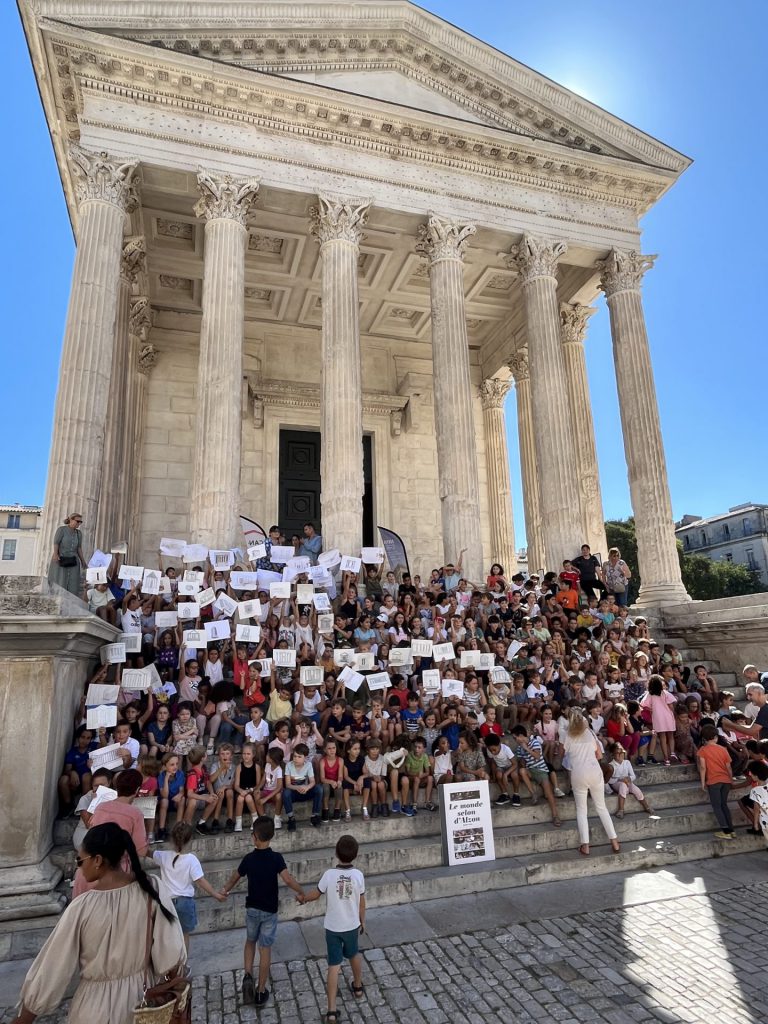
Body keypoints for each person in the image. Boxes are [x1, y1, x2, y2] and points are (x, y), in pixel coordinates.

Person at [12, 822, 185, 1024]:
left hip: (93, 1009)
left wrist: (22, 1019)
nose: (79, 867)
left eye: (80, 860)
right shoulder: (152, 889)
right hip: (142, 1005)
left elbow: (52, 968)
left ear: (97, 860)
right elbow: (172, 951)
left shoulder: (81, 907)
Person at [219, 816, 305, 1007]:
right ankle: (260, 991)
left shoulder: (249, 859)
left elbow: (235, 877)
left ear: (254, 837)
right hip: (269, 911)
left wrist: (225, 890)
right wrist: (301, 892)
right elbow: (288, 880)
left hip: (252, 909)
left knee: (250, 941)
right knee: (265, 949)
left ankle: (248, 974)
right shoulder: (276, 858)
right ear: (271, 837)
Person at [301, 834, 366, 1024]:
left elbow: (316, 893)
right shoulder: (358, 875)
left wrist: (303, 898)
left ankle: (331, 1010)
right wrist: (362, 921)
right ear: (355, 855)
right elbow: (362, 902)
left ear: (336, 853)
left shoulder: (329, 875)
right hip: (351, 925)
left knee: (333, 966)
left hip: (333, 927)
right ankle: (358, 986)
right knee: (354, 954)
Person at [152, 821, 225, 951]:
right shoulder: (191, 859)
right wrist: (216, 895)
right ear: (190, 839)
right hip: (184, 902)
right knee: (184, 935)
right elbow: (201, 881)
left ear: (172, 839)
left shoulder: (163, 856)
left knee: (169, 935)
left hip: (167, 903)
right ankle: (183, 965)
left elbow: (145, 851)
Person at [563, 708, 620, 857]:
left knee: (582, 810)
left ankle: (585, 846)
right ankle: (614, 842)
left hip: (578, 773)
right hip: (594, 771)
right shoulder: (590, 734)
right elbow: (599, 755)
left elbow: (564, 753)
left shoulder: (567, 735)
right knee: (602, 808)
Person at [697, 722, 736, 840]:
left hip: (713, 781)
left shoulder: (702, 750)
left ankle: (725, 830)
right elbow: (728, 767)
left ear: (703, 738)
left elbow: (703, 768)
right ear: (716, 737)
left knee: (717, 806)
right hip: (726, 780)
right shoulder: (723, 749)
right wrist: (731, 779)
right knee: (724, 804)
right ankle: (731, 830)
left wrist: (703, 782)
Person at [47, 512, 86, 596]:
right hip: (61, 557)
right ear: (71, 520)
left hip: (73, 560)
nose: (79, 523)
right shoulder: (61, 529)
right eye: (77, 521)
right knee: (60, 579)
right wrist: (55, 554)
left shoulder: (79, 533)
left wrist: (83, 561)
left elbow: (79, 548)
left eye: (80, 522)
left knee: (73, 581)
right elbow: (56, 542)